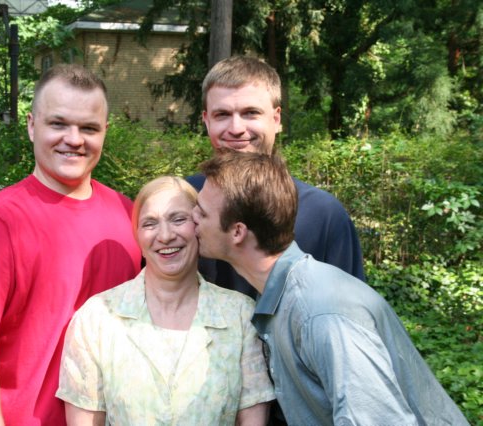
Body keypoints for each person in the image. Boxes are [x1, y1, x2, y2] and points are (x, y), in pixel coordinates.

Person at [192, 149, 469, 425]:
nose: (192, 217)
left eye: (202, 213)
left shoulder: (320, 313)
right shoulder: (286, 297)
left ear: (237, 232)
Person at [0, 64, 142, 425]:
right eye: (58, 124)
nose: (74, 139)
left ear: (105, 132)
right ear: (32, 126)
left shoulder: (130, 217)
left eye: (89, 128)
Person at [57, 176, 274, 425]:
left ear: (199, 227)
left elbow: (253, 419)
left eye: (178, 219)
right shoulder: (97, 319)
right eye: (150, 223)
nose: (165, 235)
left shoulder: (240, 316)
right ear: (137, 236)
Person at [187, 55, 364, 301]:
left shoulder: (323, 215)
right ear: (206, 121)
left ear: (276, 119)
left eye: (251, 113)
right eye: (222, 114)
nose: (236, 128)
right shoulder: (183, 202)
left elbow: (346, 310)